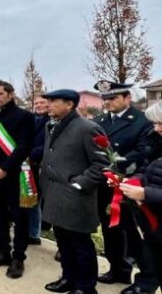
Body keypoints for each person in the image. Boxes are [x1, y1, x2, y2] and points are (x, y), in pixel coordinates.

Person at [40, 90, 108, 294]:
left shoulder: (88, 128)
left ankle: (86, 287)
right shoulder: (51, 125)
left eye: (53, 101)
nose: (48, 104)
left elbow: (103, 164)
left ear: (69, 104)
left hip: (75, 198)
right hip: (54, 195)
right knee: (64, 243)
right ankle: (68, 279)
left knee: (81, 246)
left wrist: (79, 184)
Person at [92, 80, 157, 293]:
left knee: (136, 236)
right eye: (104, 99)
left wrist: (116, 165)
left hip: (130, 185)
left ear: (127, 98)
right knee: (111, 231)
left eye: (112, 98)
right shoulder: (100, 120)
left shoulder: (142, 121)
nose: (107, 102)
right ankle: (117, 269)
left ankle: (146, 278)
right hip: (105, 185)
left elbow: (144, 151)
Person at [0, 80, 34, 279]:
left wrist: (4, 169)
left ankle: (18, 258)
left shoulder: (24, 116)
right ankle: (3, 251)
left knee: (19, 217)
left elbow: (23, 147)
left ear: (11, 94)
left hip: (15, 175)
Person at [119, 102, 162, 286]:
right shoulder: (157, 144)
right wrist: (133, 182)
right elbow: (145, 168)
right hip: (155, 223)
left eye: (161, 123)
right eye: (155, 123)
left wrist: (145, 194)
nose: (156, 128)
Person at [28, 94, 50, 245]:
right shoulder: (29, 119)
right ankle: (29, 231)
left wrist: (30, 154)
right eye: (36, 102)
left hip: (42, 166)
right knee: (29, 199)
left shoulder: (52, 121)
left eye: (42, 102)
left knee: (38, 201)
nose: (39, 105)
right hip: (26, 166)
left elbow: (50, 144)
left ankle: (35, 233)